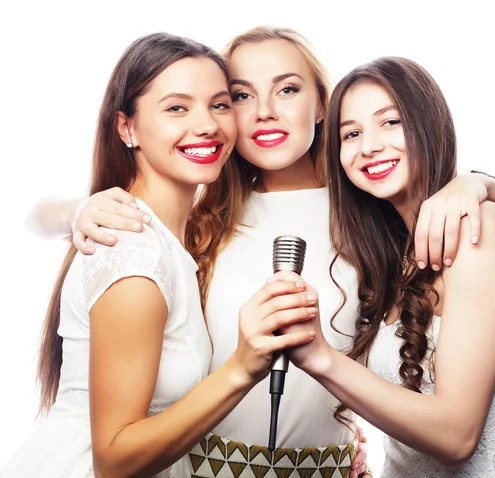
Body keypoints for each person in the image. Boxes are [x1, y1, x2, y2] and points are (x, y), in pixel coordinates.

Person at [22, 27, 495, 477]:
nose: (263, 111)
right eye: (240, 96)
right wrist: (78, 210)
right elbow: (37, 216)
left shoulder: (369, 200)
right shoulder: (202, 210)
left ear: (322, 109)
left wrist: (479, 184)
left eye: (287, 89)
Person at [0, 32, 319, 478]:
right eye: (177, 108)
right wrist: (242, 369)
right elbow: (113, 461)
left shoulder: (176, 234)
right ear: (126, 127)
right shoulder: (136, 255)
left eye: (221, 104)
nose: (206, 124)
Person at [280, 56, 495, 477]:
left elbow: (456, 437)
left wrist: (321, 358)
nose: (369, 146)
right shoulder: (398, 254)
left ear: (428, 123)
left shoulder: (481, 230)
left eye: (390, 122)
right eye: (351, 133)